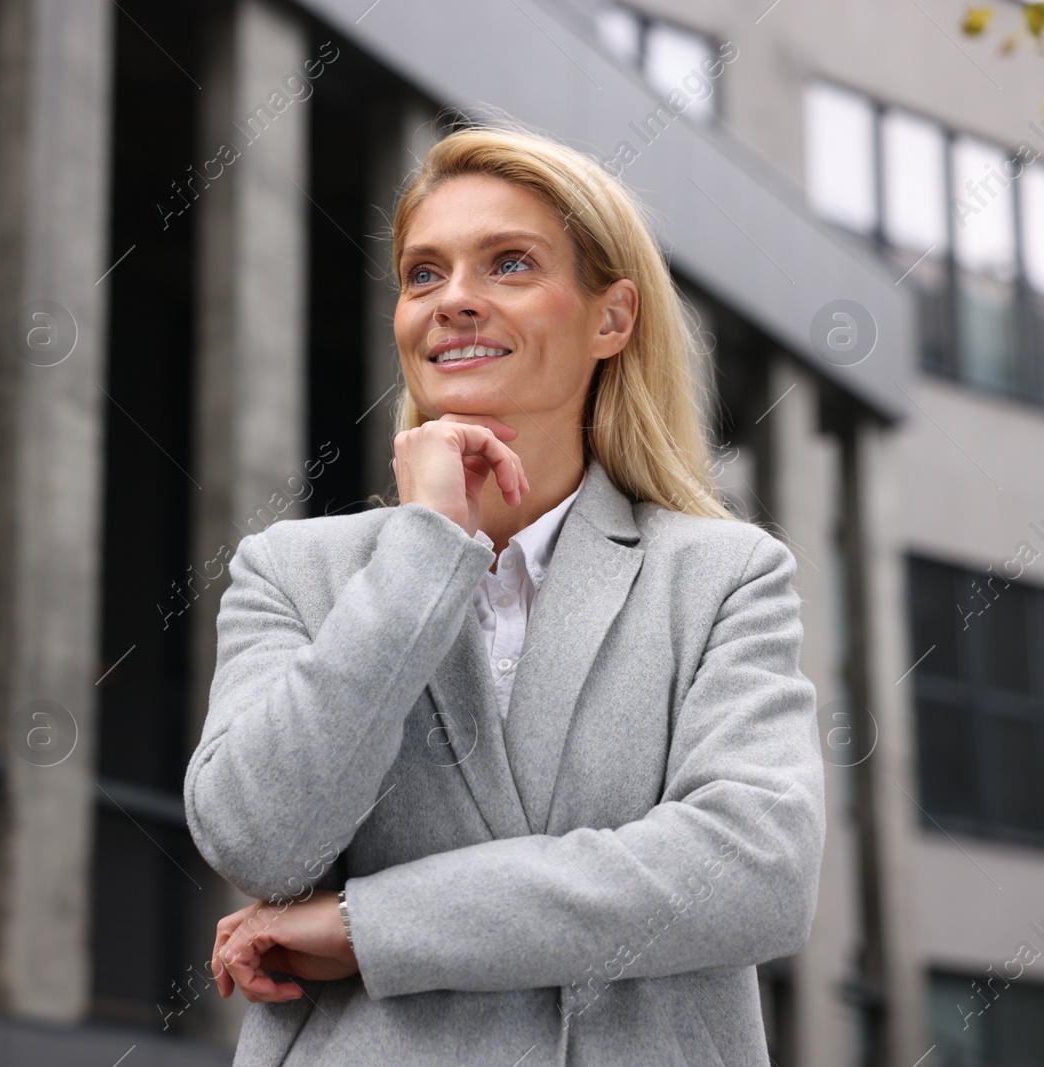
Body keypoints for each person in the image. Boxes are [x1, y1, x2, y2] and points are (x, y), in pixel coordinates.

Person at [182, 121, 826, 1066]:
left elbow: (756, 870)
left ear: (612, 318)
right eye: (423, 274)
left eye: (510, 264)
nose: (454, 303)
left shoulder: (725, 576)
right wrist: (425, 553)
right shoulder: (295, 569)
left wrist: (376, 925)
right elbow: (259, 840)